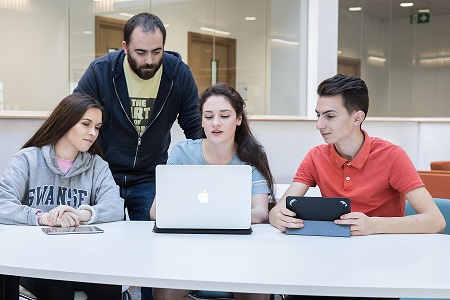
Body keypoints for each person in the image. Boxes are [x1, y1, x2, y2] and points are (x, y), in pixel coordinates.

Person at [269, 74, 445, 300]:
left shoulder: (392, 156)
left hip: (381, 268)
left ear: (357, 117)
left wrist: (371, 225)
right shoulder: (315, 157)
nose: (319, 125)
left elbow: (435, 221)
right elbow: (277, 210)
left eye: (330, 116)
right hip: (330, 264)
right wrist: (279, 218)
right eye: (318, 115)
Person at [74, 13, 201, 298]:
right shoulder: (101, 71)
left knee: (154, 250)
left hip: (151, 173)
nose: (149, 61)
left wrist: (210, 170)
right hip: (104, 173)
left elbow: (194, 127)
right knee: (102, 245)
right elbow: (76, 115)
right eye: (141, 52)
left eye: (157, 52)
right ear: (124, 47)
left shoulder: (177, 73)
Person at [150, 83, 275, 300]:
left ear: (238, 119)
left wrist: (200, 216)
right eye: (208, 116)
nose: (215, 123)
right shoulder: (182, 152)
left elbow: (261, 212)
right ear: (201, 120)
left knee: (258, 291)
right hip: (188, 249)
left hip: (239, 251)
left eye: (224, 116)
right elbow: (157, 212)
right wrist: (221, 217)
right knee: (163, 290)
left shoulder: (254, 154)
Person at [0, 93, 124, 300]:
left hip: (82, 258)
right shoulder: (27, 159)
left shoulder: (97, 165)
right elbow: (3, 204)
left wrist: (80, 214)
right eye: (86, 124)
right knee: (58, 287)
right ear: (65, 121)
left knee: (110, 286)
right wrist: (44, 217)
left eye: (97, 127)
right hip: (34, 257)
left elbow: (115, 206)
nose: (93, 133)